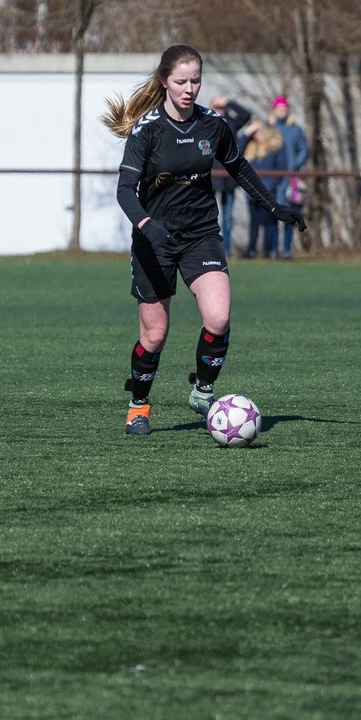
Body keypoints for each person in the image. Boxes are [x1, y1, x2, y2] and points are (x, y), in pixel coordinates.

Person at [103, 44, 305, 436]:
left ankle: (202, 390)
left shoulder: (213, 125)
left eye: (195, 80)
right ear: (164, 82)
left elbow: (240, 167)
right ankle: (138, 407)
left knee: (218, 317)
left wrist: (274, 206)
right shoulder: (147, 131)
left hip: (201, 235)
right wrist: (147, 225)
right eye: (181, 81)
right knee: (155, 334)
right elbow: (125, 190)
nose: (189, 88)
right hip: (153, 240)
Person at [207, 95, 254, 255]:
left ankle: (225, 250)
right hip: (210, 179)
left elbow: (246, 115)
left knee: (227, 217)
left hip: (228, 178)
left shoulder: (232, 123)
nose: (219, 110)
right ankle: (209, 248)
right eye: (216, 107)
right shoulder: (205, 123)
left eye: (221, 108)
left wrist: (228, 102)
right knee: (208, 217)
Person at [268, 96, 310, 259]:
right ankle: (272, 249)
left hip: (290, 179)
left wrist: (294, 166)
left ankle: (286, 250)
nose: (281, 112)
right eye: (278, 109)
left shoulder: (295, 130)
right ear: (274, 110)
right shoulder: (269, 129)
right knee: (271, 213)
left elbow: (304, 150)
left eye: (284, 109)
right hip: (272, 178)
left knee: (290, 214)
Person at [241, 124, 286, 259]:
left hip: (268, 192)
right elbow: (236, 150)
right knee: (254, 222)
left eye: (258, 130)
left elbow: (281, 168)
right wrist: (245, 134)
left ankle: (269, 251)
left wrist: (271, 187)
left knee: (269, 222)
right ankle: (251, 250)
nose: (256, 134)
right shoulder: (250, 147)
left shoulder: (274, 147)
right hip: (251, 192)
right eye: (253, 132)